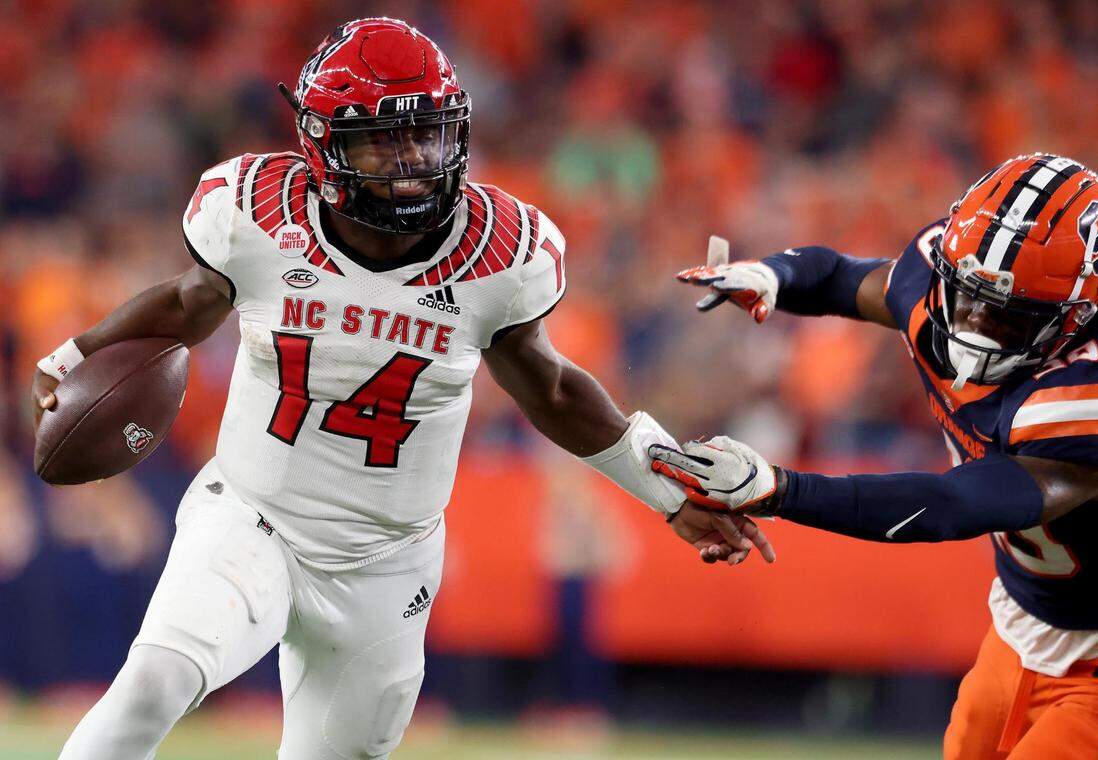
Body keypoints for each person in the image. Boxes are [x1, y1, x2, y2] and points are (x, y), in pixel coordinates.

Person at [31, 18, 769, 759]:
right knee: (156, 678)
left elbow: (551, 391)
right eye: (383, 139)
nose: (412, 159)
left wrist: (670, 489)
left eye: (426, 134)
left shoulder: (499, 251)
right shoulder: (258, 213)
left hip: (389, 562)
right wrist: (79, 353)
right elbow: (188, 303)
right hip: (254, 517)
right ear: (322, 145)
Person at [650, 154, 1098, 759]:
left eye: (1010, 318)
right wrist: (775, 275)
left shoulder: (1091, 405)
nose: (977, 326)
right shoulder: (935, 281)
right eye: (969, 297)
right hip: (1018, 623)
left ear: (1073, 320)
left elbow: (951, 504)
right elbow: (839, 277)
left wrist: (779, 488)